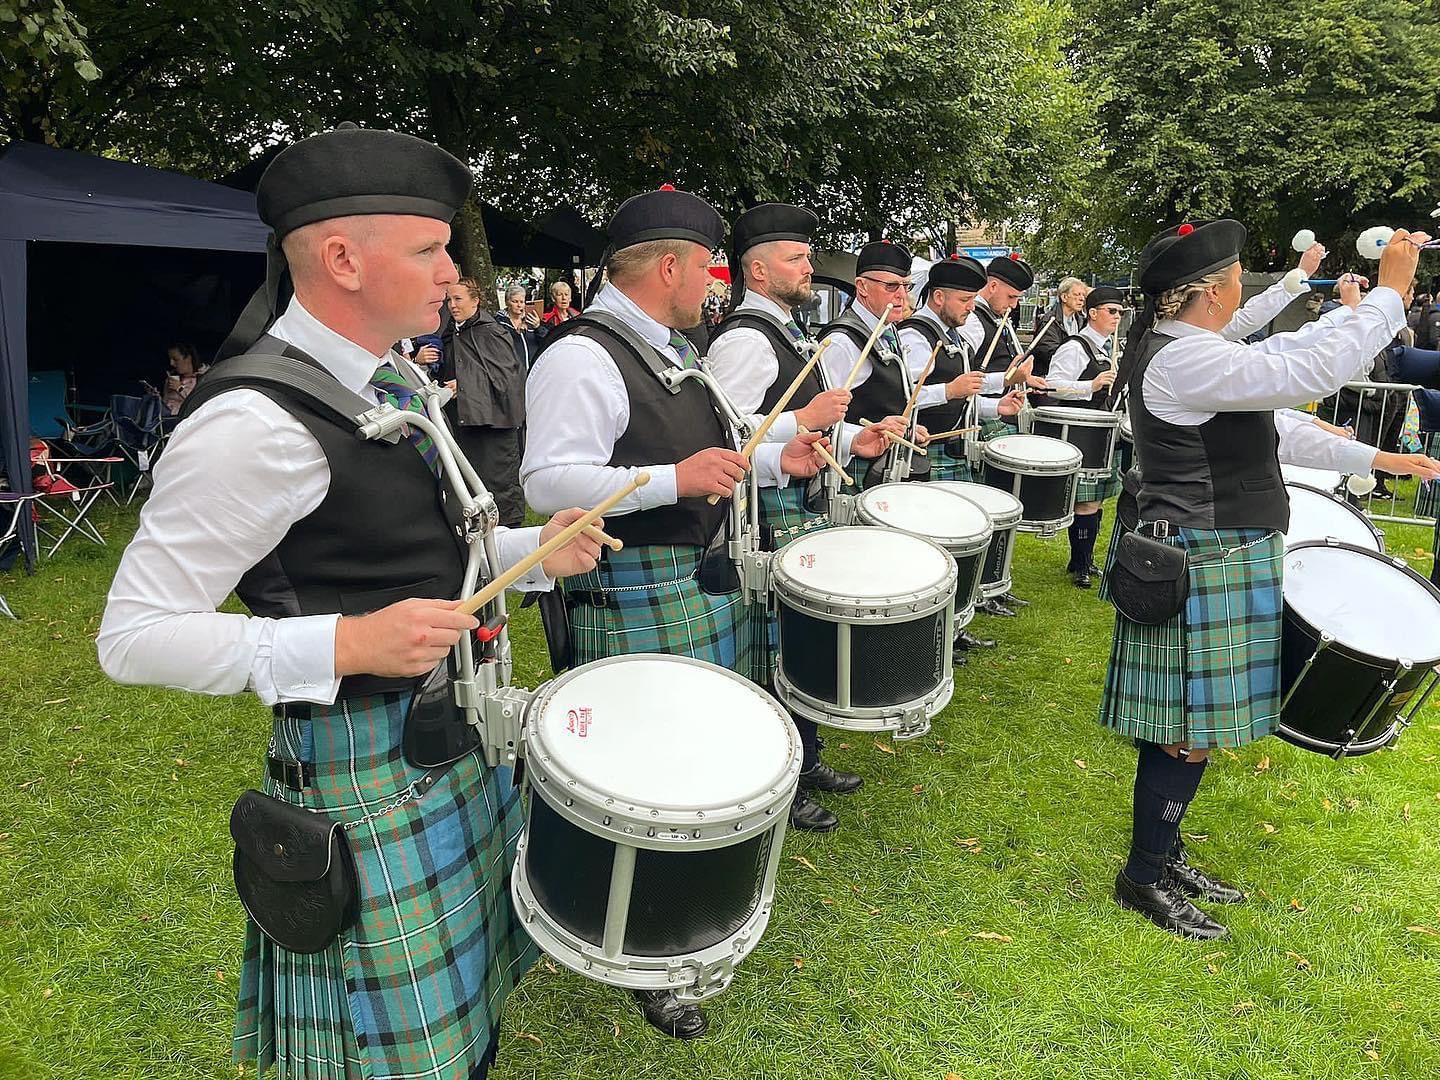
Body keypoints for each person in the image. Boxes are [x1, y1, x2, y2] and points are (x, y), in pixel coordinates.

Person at [96, 124, 604, 1080]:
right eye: (428, 246)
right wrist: (341, 644)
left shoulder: (395, 373)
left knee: (465, 1022)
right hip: (364, 772)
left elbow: (430, 553)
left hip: (457, 742)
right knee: (393, 1056)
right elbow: (132, 636)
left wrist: (536, 550)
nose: (452, 269)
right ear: (342, 258)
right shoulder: (254, 423)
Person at [522, 184, 827, 1040]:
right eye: (707, 268)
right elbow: (547, 481)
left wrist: (779, 462)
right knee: (645, 770)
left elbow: (718, 457)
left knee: (690, 762)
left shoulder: (672, 347)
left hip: (689, 585)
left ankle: (679, 912)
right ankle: (645, 944)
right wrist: (673, 481)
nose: (713, 285)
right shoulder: (583, 356)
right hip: (631, 590)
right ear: (668, 267)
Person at [1097, 218, 1438, 942]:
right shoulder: (1182, 360)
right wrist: (1388, 296)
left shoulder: (1197, 353)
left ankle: (1166, 853)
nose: (1239, 283)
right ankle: (1144, 876)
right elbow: (1302, 370)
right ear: (1215, 290)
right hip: (1204, 554)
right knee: (1186, 734)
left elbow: (1271, 427)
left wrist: (1378, 461)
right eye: (1237, 275)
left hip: (1223, 550)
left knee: (1193, 731)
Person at [707, 202, 901, 833]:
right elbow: (728, 438)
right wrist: (794, 442)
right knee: (771, 642)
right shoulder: (744, 338)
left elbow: (803, 432)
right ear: (757, 271)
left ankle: (806, 754)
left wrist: (851, 443)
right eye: (796, 257)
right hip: (762, 513)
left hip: (798, 501)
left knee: (797, 631)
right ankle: (774, 776)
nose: (809, 265)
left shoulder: (788, 330)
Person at [897, 253, 1027, 484]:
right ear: (939, 297)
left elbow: (963, 398)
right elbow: (901, 398)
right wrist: (948, 390)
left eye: (974, 298)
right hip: (925, 454)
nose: (972, 307)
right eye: (965, 299)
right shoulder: (915, 336)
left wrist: (997, 405)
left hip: (953, 450)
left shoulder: (953, 335)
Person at [816, 240, 932, 486]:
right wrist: (860, 436)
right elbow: (820, 421)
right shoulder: (841, 342)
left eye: (906, 286)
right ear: (862, 287)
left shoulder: (887, 330)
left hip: (888, 469)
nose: (902, 295)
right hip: (853, 475)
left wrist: (907, 430)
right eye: (891, 286)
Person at [1045, 286, 1123, 587]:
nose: (1117, 317)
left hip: (1103, 429)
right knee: (1086, 503)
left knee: (1099, 500)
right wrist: (1090, 385)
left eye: (1120, 312)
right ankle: (1078, 564)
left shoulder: (1111, 346)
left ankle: (1087, 560)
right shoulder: (1074, 347)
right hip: (1080, 430)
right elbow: (1052, 386)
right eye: (1111, 311)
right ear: (1092, 313)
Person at [442, 277, 528, 524]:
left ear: (475, 301)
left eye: (458, 299)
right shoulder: (453, 333)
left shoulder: (491, 332)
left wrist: (466, 386)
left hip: (495, 425)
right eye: (449, 300)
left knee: (497, 484)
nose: (452, 305)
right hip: (464, 423)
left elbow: (508, 378)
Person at [1029, 276, 1089, 375]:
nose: (1082, 299)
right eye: (1077, 294)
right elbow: (1049, 352)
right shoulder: (1049, 321)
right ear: (1064, 297)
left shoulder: (1082, 321)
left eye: (1083, 295)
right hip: (1048, 376)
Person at [499, 284, 545, 366]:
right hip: (511, 372)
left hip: (532, 371)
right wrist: (516, 333)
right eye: (515, 301)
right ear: (506, 302)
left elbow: (545, 342)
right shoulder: (499, 322)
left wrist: (538, 327)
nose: (519, 305)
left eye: (522, 302)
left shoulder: (531, 319)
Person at [159, 342, 209, 415]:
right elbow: (165, 403)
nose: (171, 363)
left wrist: (180, 389)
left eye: (176, 359)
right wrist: (157, 399)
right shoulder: (172, 377)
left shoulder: (203, 378)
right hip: (167, 419)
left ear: (188, 358)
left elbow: (199, 403)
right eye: (170, 360)